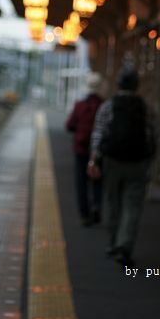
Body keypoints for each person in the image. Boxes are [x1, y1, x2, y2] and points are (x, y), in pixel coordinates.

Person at [88, 65, 157, 267]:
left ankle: (112, 244)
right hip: (138, 162)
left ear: (118, 84)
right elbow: (154, 135)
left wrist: (93, 160)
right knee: (132, 206)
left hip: (113, 161)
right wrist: (150, 160)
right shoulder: (146, 108)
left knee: (113, 202)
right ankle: (124, 246)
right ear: (137, 85)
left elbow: (98, 134)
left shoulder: (108, 106)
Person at [66, 72, 104, 226]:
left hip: (81, 149)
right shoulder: (104, 105)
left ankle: (84, 215)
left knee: (81, 182)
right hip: (99, 151)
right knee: (98, 179)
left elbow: (69, 125)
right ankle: (96, 205)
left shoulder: (80, 105)